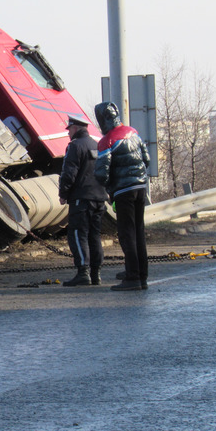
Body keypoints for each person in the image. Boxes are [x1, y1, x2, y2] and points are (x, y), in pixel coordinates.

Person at [93, 102, 151, 291]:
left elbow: (102, 174)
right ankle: (142, 275)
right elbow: (147, 159)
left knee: (127, 235)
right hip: (141, 187)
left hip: (123, 191)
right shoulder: (133, 132)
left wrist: (110, 188)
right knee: (138, 232)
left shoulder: (106, 141)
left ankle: (132, 277)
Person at [57, 114, 109, 286]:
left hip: (81, 198)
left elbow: (69, 173)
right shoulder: (97, 145)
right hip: (99, 198)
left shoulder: (75, 147)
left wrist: (63, 193)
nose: (68, 133)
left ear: (75, 128)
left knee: (78, 235)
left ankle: (83, 271)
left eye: (69, 129)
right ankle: (96, 274)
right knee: (95, 236)